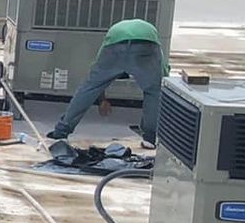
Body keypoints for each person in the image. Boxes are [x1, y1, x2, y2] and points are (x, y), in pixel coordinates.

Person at [47, 18, 168, 146]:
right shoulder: (153, 39)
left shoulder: (109, 39)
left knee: (89, 87)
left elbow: (96, 78)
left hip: (116, 41)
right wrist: (158, 82)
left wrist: (102, 100)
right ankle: (149, 139)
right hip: (146, 41)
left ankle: (61, 132)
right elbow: (163, 70)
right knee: (153, 92)